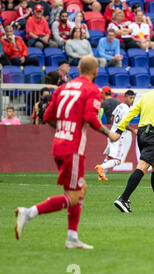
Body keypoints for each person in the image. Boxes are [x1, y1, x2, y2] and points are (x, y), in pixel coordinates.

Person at [14, 56, 117, 249]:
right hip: (73, 149)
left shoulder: (62, 88)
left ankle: (72, 237)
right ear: (95, 72)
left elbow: (47, 117)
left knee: (80, 189)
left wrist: (64, 129)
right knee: (74, 195)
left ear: (78, 68)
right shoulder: (91, 90)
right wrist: (108, 133)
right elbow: (89, 117)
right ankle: (28, 213)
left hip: (59, 144)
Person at [112, 71, 154, 213]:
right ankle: (123, 198)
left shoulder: (146, 96)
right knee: (142, 166)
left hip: (142, 132)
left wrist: (119, 130)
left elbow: (131, 113)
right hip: (153, 134)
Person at [95, 90, 138, 181]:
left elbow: (112, 117)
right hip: (118, 136)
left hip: (111, 133)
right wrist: (133, 130)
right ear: (125, 97)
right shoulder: (126, 109)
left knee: (109, 157)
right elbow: (124, 124)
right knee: (117, 161)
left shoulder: (119, 106)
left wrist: (115, 125)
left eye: (133, 98)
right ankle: (101, 167)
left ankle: (101, 175)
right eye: (130, 98)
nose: (132, 100)